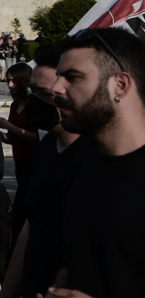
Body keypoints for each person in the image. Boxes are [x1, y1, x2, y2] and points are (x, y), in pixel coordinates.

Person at [44, 27, 145, 297]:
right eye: (58, 77)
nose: (55, 88)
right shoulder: (81, 167)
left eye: (72, 77)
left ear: (120, 85)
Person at [0, 45, 96, 298]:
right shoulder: (48, 146)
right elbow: (31, 226)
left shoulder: (97, 156)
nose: (34, 102)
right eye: (33, 92)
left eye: (44, 94)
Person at [0, 63, 38, 249]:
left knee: (21, 209)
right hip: (20, 160)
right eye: (8, 81)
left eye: (13, 81)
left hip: (33, 161)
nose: (9, 85)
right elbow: (13, 138)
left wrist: (8, 126)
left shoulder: (33, 105)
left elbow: (35, 137)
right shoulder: (16, 104)